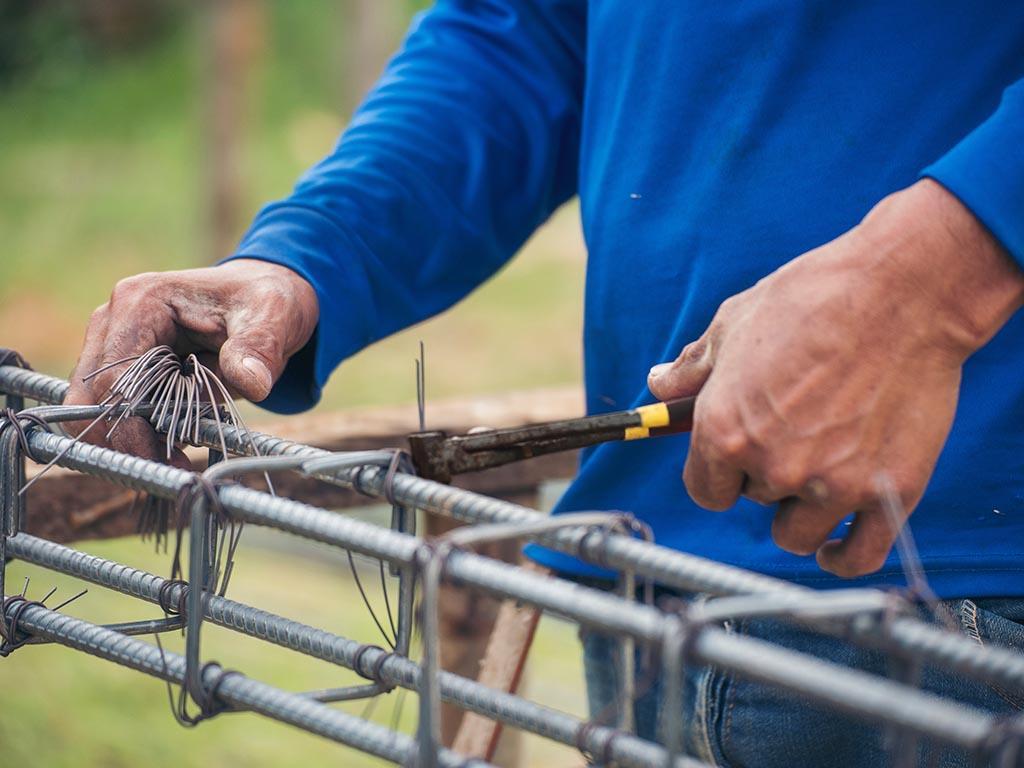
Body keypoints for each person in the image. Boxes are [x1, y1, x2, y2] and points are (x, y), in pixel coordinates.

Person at [66, 2, 1024, 764]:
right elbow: (524, 38)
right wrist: (303, 256)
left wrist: (932, 279)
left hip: (960, 610)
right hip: (638, 590)